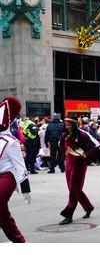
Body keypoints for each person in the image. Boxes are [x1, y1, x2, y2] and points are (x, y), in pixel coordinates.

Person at [0, 97, 32, 243]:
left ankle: (19, 241)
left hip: (7, 175)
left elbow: (20, 166)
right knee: (2, 212)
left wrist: (26, 189)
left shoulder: (11, 142)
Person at [58, 114, 100, 225]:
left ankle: (68, 214)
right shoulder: (64, 135)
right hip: (69, 164)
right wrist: (65, 153)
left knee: (73, 190)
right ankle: (88, 207)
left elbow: (96, 144)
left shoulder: (83, 134)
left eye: (69, 125)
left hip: (79, 165)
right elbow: (61, 145)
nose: (67, 127)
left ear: (74, 124)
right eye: (66, 125)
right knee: (73, 189)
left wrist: (86, 154)